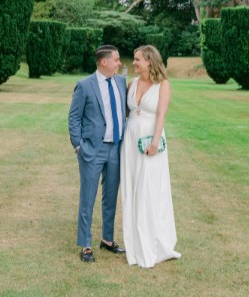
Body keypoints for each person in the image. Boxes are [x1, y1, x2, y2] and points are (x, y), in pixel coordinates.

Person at [121, 44, 180, 269]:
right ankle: (134, 244)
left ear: (149, 61)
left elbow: (161, 115)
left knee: (149, 189)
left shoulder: (162, 85)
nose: (134, 63)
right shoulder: (132, 83)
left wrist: (155, 142)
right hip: (130, 140)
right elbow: (126, 113)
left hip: (150, 140)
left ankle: (154, 242)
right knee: (131, 187)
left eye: (137, 59)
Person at [68, 44, 128, 264]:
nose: (120, 63)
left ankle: (107, 239)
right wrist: (78, 145)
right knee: (88, 197)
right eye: (117, 59)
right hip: (92, 149)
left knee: (111, 197)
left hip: (116, 149)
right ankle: (85, 244)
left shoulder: (121, 82)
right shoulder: (84, 86)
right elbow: (74, 118)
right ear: (104, 62)